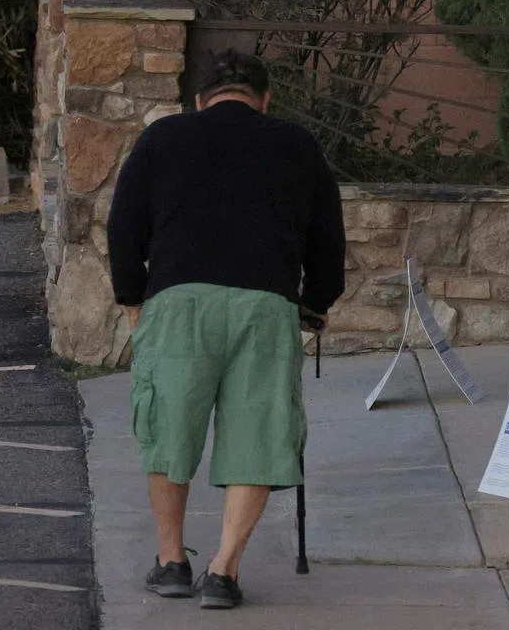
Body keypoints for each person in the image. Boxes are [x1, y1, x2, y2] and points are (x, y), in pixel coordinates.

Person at [106, 49, 346, 609]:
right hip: (265, 305)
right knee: (257, 434)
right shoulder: (296, 145)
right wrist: (313, 305)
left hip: (178, 301)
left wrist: (132, 296)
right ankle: (223, 570)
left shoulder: (163, 138)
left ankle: (171, 561)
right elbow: (328, 241)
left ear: (199, 100)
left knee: (170, 429)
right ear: (264, 101)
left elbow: (123, 225)